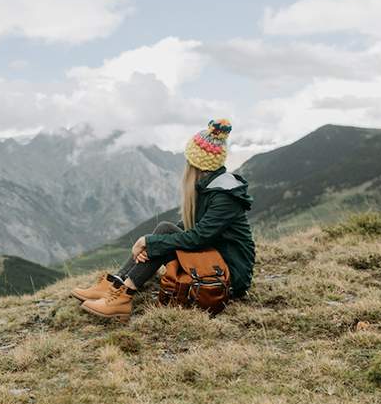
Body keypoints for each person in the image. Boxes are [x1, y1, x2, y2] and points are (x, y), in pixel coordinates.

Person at [71, 118, 255, 322]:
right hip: (214, 259)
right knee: (166, 229)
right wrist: (153, 243)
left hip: (230, 274)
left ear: (196, 164)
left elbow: (199, 237)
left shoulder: (224, 195)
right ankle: (117, 284)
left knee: (164, 233)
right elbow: (187, 228)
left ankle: (123, 298)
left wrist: (149, 242)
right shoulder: (210, 186)